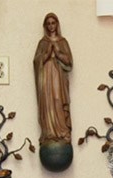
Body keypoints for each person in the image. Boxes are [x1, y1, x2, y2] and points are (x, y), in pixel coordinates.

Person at [33, 12, 73, 144]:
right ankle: (49, 132)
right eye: (48, 23)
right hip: (45, 81)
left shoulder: (62, 42)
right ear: (45, 26)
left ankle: (62, 131)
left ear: (57, 24)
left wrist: (58, 52)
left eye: (53, 23)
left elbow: (69, 61)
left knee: (58, 100)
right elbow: (36, 61)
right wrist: (47, 54)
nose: (51, 26)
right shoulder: (42, 43)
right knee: (48, 104)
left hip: (58, 78)